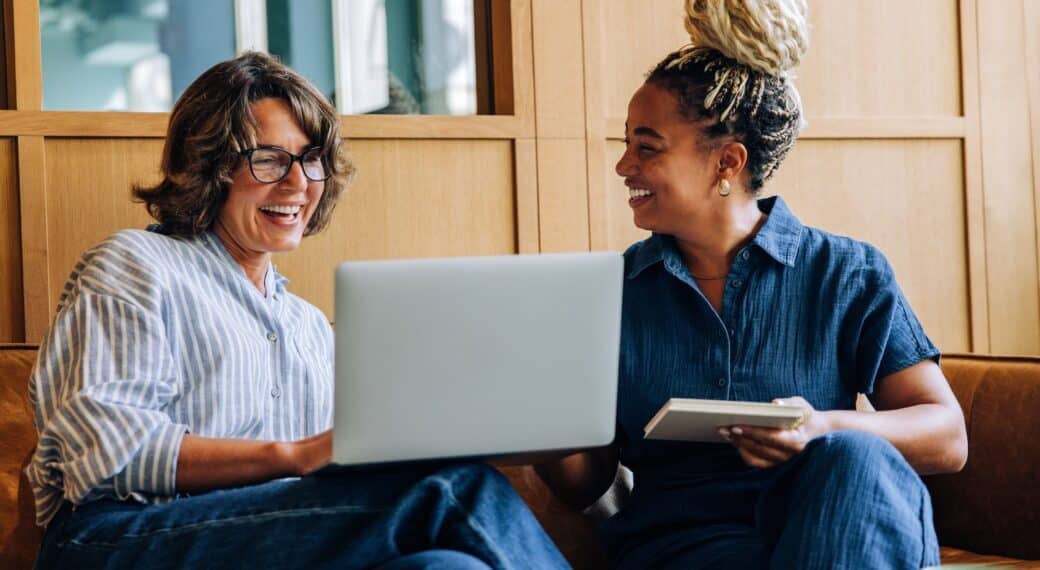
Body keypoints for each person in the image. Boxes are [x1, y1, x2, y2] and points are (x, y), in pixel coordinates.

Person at [27, 52, 568, 570]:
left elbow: (320, 497)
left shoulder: (309, 326)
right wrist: (293, 455)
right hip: (112, 538)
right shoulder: (134, 264)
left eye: (311, 160)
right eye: (268, 158)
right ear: (207, 164)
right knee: (454, 490)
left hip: (266, 540)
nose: (298, 183)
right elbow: (107, 458)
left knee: (447, 565)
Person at [536, 2, 968, 568]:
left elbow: (947, 436)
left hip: (829, 535)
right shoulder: (613, 292)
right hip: (683, 551)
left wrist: (820, 429)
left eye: (646, 147)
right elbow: (585, 485)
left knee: (857, 458)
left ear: (727, 163)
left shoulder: (847, 272)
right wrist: (539, 417)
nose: (623, 166)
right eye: (626, 145)